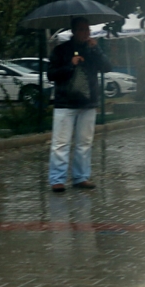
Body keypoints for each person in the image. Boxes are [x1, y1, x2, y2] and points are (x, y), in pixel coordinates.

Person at [47, 17, 111, 192]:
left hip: (88, 102)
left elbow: (107, 67)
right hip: (65, 103)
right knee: (61, 143)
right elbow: (51, 74)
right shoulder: (61, 50)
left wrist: (96, 49)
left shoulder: (92, 49)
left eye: (87, 29)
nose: (85, 33)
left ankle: (81, 177)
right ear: (74, 31)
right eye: (82, 29)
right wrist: (70, 65)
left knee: (84, 142)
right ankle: (57, 179)